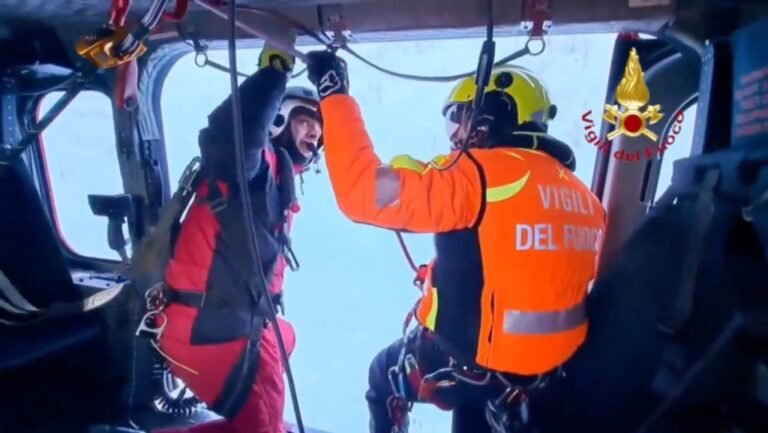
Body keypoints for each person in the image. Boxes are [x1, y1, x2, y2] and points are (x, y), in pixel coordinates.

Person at [305, 51, 607, 432]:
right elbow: (522, 264)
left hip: (472, 364)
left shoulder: (475, 176)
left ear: (491, 114)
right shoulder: (585, 200)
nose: (456, 136)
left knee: (382, 377)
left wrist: (333, 93)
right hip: (546, 372)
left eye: (461, 118)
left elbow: (363, 191)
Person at [152, 44, 322, 433]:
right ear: (277, 118)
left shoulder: (277, 180)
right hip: (209, 330)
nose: (315, 132)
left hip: (224, 323)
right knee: (263, 427)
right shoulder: (255, 167)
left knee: (284, 340)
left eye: (319, 128)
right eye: (305, 120)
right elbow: (230, 138)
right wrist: (273, 74)